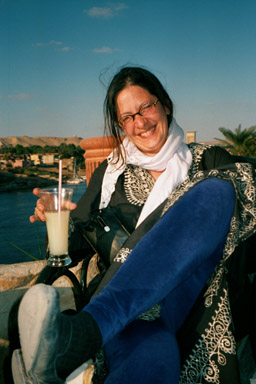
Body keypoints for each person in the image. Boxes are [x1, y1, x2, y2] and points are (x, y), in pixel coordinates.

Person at [13, 66, 256, 384]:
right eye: (127, 117)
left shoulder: (207, 159)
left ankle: (86, 332)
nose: (140, 122)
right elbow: (71, 245)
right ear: (120, 125)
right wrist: (53, 218)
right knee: (150, 358)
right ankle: (90, 332)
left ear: (165, 105)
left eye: (146, 107)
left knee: (216, 189)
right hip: (132, 312)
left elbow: (245, 205)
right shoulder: (110, 174)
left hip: (198, 301)